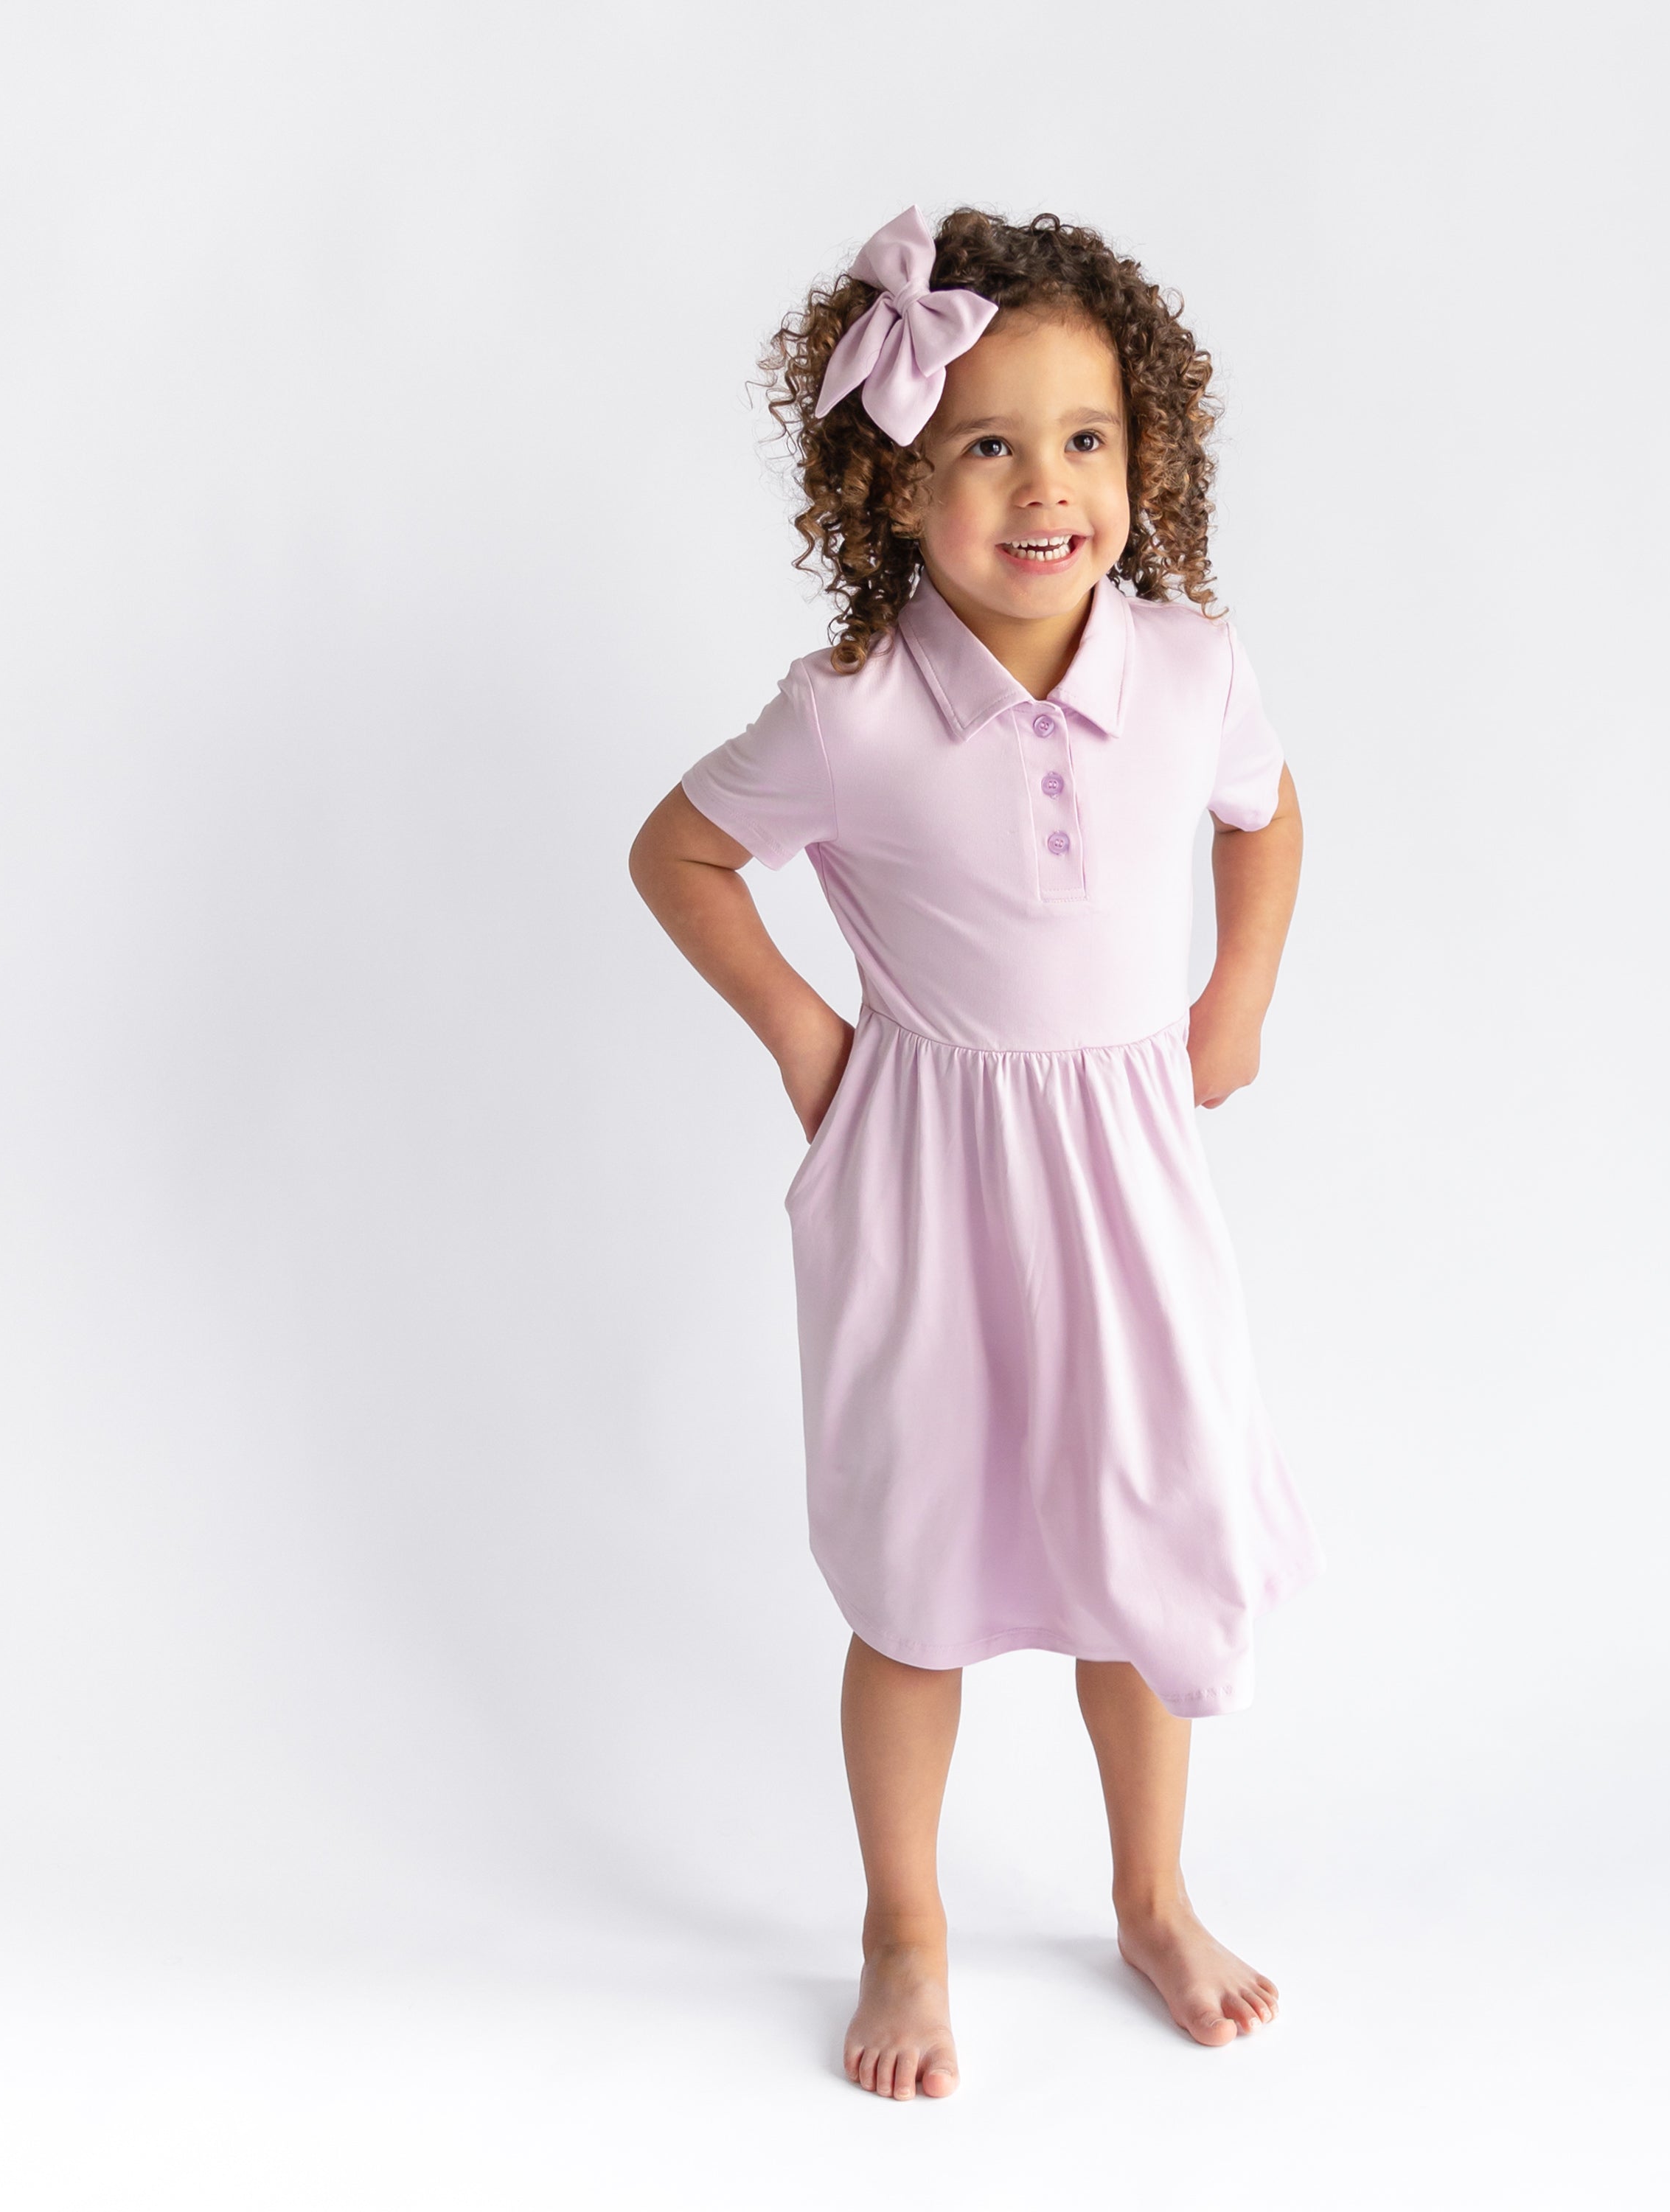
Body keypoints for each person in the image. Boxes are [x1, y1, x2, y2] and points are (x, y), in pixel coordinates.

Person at [627, 205, 1321, 2101]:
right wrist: (805, 1036)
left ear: (1143, 455)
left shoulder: (1189, 669)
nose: (1043, 488)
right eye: (986, 444)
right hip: (921, 1175)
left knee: (1141, 1538)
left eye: (1084, 439)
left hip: (1127, 1171)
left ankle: (1154, 1893)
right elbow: (676, 853)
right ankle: (903, 1924)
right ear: (896, 478)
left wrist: (1235, 998)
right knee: (918, 1564)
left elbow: (1264, 819)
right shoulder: (847, 715)